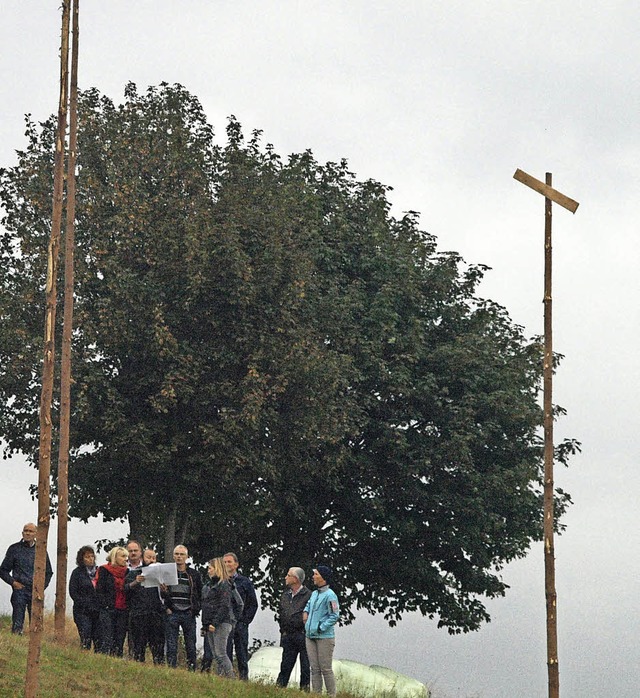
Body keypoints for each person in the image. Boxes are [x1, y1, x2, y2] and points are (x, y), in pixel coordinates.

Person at [0, 522, 53, 634]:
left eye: (31, 531)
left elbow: (48, 572)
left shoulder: (41, 550)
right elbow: (3, 570)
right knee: (18, 622)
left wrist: (41, 588)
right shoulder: (14, 549)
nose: (28, 533)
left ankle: (34, 646)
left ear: (36, 534)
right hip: (20, 590)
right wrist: (14, 583)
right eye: (26, 530)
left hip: (35, 591)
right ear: (22, 533)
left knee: (36, 624)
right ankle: (16, 642)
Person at [162, 544, 202, 671]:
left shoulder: (194, 574)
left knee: (190, 645)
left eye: (182, 554)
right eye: (177, 554)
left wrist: (195, 609)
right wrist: (166, 607)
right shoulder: (168, 572)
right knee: (171, 644)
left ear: (187, 557)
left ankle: (191, 670)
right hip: (172, 612)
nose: (179, 557)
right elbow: (162, 594)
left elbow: (200, 593)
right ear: (173, 556)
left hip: (188, 613)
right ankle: (172, 669)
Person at [304, 565, 339, 697]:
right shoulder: (314, 594)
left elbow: (334, 615)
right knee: (314, 669)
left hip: (324, 637)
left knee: (325, 668)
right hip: (309, 636)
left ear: (323, 578)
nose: (313, 576)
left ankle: (331, 695)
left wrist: (321, 627)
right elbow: (308, 605)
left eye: (316, 574)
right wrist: (305, 613)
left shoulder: (331, 596)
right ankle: (316, 695)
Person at [125, 548, 165, 664]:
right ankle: (138, 667)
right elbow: (126, 589)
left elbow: (165, 596)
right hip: (139, 614)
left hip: (156, 614)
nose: (151, 560)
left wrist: (164, 589)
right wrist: (136, 582)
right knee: (139, 646)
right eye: (149, 557)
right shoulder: (134, 572)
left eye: (154, 558)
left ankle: (159, 668)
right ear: (142, 558)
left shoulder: (160, 574)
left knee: (157, 646)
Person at [223, 552, 258, 680]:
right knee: (225, 652)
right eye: (225, 562)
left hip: (240, 623)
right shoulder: (220, 580)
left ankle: (243, 679)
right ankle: (226, 678)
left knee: (241, 653)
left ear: (236, 564)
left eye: (229, 562)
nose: (227, 564)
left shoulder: (245, 582)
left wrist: (245, 621)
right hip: (225, 623)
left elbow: (253, 604)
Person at [276, 566, 312, 690]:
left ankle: (304, 690)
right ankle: (279, 688)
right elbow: (281, 613)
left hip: (302, 635)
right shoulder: (285, 595)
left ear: (296, 579)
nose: (285, 577)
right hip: (288, 635)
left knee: (305, 666)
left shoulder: (308, 595)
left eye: (288, 575)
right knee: (285, 664)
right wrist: (283, 630)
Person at [201, 557, 235, 678]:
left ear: (217, 569)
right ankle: (221, 677)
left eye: (210, 568)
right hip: (210, 623)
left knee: (221, 654)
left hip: (221, 623)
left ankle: (231, 678)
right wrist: (205, 625)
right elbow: (206, 606)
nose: (208, 571)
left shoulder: (224, 584)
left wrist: (215, 623)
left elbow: (225, 606)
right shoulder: (209, 585)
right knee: (216, 654)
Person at [95, 546, 129, 656]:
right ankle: (104, 661)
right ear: (115, 557)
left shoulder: (127, 572)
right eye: (123, 556)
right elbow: (100, 589)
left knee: (119, 639)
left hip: (123, 609)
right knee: (107, 637)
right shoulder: (104, 570)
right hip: (108, 609)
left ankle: (117, 661)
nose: (126, 559)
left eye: (126, 556)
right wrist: (105, 605)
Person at [68, 545, 100, 650]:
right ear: (81, 559)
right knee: (85, 636)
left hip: (98, 610)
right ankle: (84, 655)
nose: (90, 559)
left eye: (92, 556)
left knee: (98, 638)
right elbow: (73, 591)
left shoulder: (100, 572)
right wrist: (83, 603)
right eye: (87, 557)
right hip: (82, 611)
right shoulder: (77, 573)